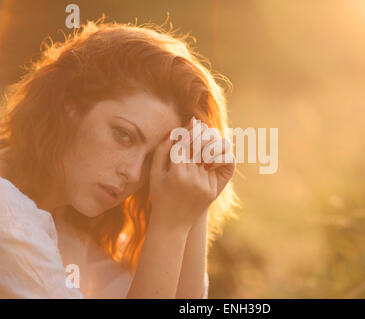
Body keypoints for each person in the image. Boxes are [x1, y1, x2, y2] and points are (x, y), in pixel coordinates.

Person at [0, 20, 238, 298]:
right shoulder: (8, 215)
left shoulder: (72, 227)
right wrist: (171, 225)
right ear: (71, 105)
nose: (135, 173)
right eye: (124, 135)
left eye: (152, 158)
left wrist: (196, 199)